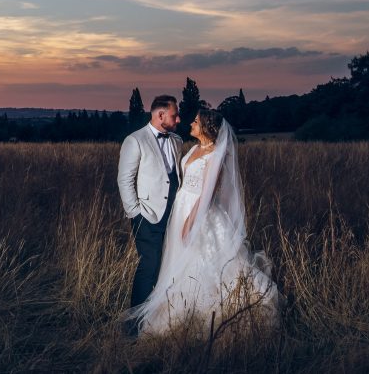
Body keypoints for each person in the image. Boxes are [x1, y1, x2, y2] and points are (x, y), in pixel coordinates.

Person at [131, 108, 281, 336]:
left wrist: (192, 220)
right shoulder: (192, 148)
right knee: (176, 258)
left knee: (200, 260)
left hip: (199, 212)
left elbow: (207, 193)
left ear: (206, 127)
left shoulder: (216, 154)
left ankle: (202, 312)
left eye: (196, 121)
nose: (190, 123)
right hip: (180, 208)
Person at [117, 95, 183, 310]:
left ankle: (158, 315)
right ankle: (134, 322)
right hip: (147, 215)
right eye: (174, 115)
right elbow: (124, 179)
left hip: (174, 216)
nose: (179, 120)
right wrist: (135, 213)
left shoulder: (176, 140)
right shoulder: (135, 140)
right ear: (160, 115)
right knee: (149, 265)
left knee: (167, 266)